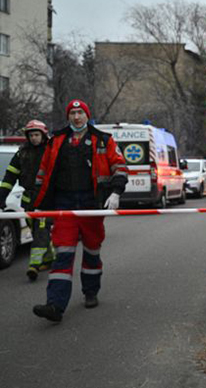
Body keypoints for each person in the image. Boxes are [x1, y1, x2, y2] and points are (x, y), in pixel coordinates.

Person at [32, 100, 128, 322]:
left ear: (87, 115)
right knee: (63, 254)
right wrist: (38, 202)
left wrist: (116, 192)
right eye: (73, 113)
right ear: (68, 116)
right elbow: (43, 172)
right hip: (64, 203)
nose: (76, 117)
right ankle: (55, 305)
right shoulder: (56, 140)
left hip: (91, 203)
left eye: (80, 113)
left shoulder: (103, 140)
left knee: (92, 250)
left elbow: (119, 167)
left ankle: (91, 292)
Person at [0, 120, 54, 281]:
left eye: (37, 135)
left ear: (43, 135)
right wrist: (2, 197)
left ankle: (34, 265)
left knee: (41, 230)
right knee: (35, 231)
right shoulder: (21, 154)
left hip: (46, 199)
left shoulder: (51, 151)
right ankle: (49, 258)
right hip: (28, 200)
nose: (34, 138)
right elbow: (9, 177)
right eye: (31, 135)